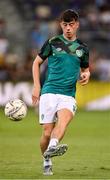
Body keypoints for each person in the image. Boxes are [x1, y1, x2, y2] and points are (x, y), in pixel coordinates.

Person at [32, 9, 90, 176]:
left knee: (63, 122)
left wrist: (86, 74)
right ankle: (47, 159)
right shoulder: (52, 42)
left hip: (68, 95)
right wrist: (37, 86)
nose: (68, 28)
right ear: (61, 25)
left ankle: (52, 147)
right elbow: (36, 63)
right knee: (46, 132)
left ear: (77, 25)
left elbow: (86, 69)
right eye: (65, 25)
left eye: (71, 24)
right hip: (49, 91)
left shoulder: (83, 48)